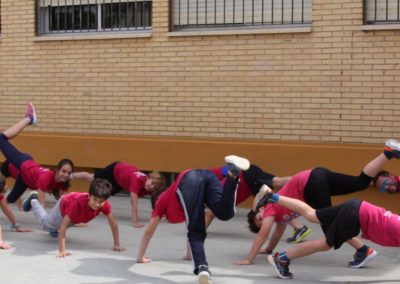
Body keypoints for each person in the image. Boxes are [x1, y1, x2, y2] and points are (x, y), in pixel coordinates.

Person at [239, 140, 400, 267]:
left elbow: (262, 235)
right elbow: (275, 235)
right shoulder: (280, 218)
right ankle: (388, 152)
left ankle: (363, 250)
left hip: (310, 184)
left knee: (331, 226)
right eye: (261, 223)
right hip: (317, 174)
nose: (263, 221)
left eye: (258, 218)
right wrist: (268, 249)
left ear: (258, 210)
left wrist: (249, 259)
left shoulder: (268, 208)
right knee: (361, 182)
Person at [136, 155, 250, 284]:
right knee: (224, 213)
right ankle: (232, 175)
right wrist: (189, 254)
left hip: (189, 180)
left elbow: (148, 233)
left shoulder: (161, 201)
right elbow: (189, 223)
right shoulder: (176, 202)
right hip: (205, 176)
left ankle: (202, 267)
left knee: (196, 230)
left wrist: (140, 257)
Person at [258, 187, 400, 279]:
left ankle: (272, 197)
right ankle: (281, 258)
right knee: (325, 244)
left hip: (357, 206)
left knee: (312, 215)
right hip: (356, 215)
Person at [0, 103, 84, 206]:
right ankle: (29, 119)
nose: (66, 175)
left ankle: (29, 119)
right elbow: (41, 204)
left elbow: (64, 201)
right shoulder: (46, 177)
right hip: (24, 164)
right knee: (1, 138)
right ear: (57, 170)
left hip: (24, 178)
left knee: (10, 199)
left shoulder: (62, 184)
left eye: (68, 173)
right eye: (64, 171)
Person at [22, 178, 124, 257]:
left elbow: (113, 224)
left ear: (105, 200)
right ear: (89, 196)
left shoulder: (104, 204)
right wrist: (62, 250)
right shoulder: (76, 204)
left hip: (73, 209)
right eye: (95, 199)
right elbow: (63, 226)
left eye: (100, 201)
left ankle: (53, 229)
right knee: (45, 225)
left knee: (66, 222)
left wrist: (117, 244)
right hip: (64, 206)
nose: (97, 204)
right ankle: (34, 201)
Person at [211, 164, 310, 244]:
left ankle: (304, 181)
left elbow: (227, 170)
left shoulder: (207, 179)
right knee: (276, 202)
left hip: (248, 177)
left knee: (277, 182)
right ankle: (299, 228)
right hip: (250, 183)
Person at [75, 162, 165, 228]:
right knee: (92, 180)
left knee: (104, 196)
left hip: (120, 180)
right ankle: (70, 175)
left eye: (154, 186)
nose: (151, 186)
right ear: (148, 177)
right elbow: (134, 202)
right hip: (115, 170)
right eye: (151, 183)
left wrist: (163, 215)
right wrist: (135, 222)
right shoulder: (136, 181)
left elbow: (157, 200)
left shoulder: (151, 188)